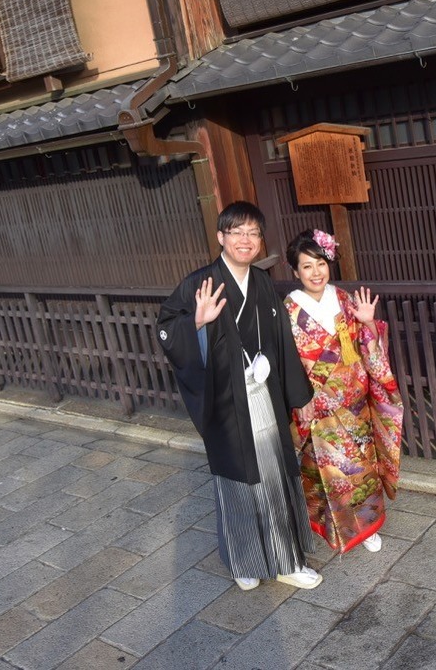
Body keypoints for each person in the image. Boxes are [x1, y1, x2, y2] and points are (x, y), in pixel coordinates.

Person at [156, 202, 322, 591]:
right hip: (226, 402)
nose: (245, 240)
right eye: (237, 232)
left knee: (275, 476)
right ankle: (244, 560)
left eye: (252, 233)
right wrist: (196, 321)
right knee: (236, 482)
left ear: (259, 241)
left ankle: (286, 560)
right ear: (221, 238)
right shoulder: (200, 283)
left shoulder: (262, 282)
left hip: (263, 395)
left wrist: (299, 395)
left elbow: (282, 340)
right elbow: (166, 328)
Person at [283, 228, 403, 554]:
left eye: (320, 263)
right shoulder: (289, 311)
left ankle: (365, 527)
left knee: (362, 469)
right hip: (318, 409)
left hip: (355, 405)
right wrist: (301, 399)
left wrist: (367, 324)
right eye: (306, 266)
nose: (316, 272)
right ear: (295, 271)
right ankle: (331, 528)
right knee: (328, 474)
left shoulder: (344, 300)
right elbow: (288, 363)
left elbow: (367, 349)